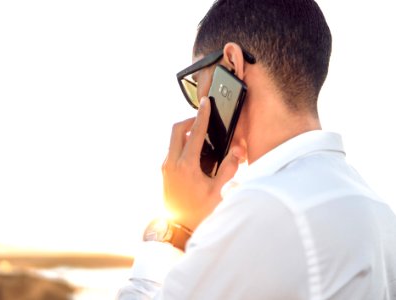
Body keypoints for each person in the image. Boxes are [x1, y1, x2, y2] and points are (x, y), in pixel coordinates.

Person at [117, 0, 396, 299]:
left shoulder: (264, 210)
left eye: (197, 81)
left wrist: (173, 232)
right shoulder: (379, 212)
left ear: (232, 66)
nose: (198, 103)